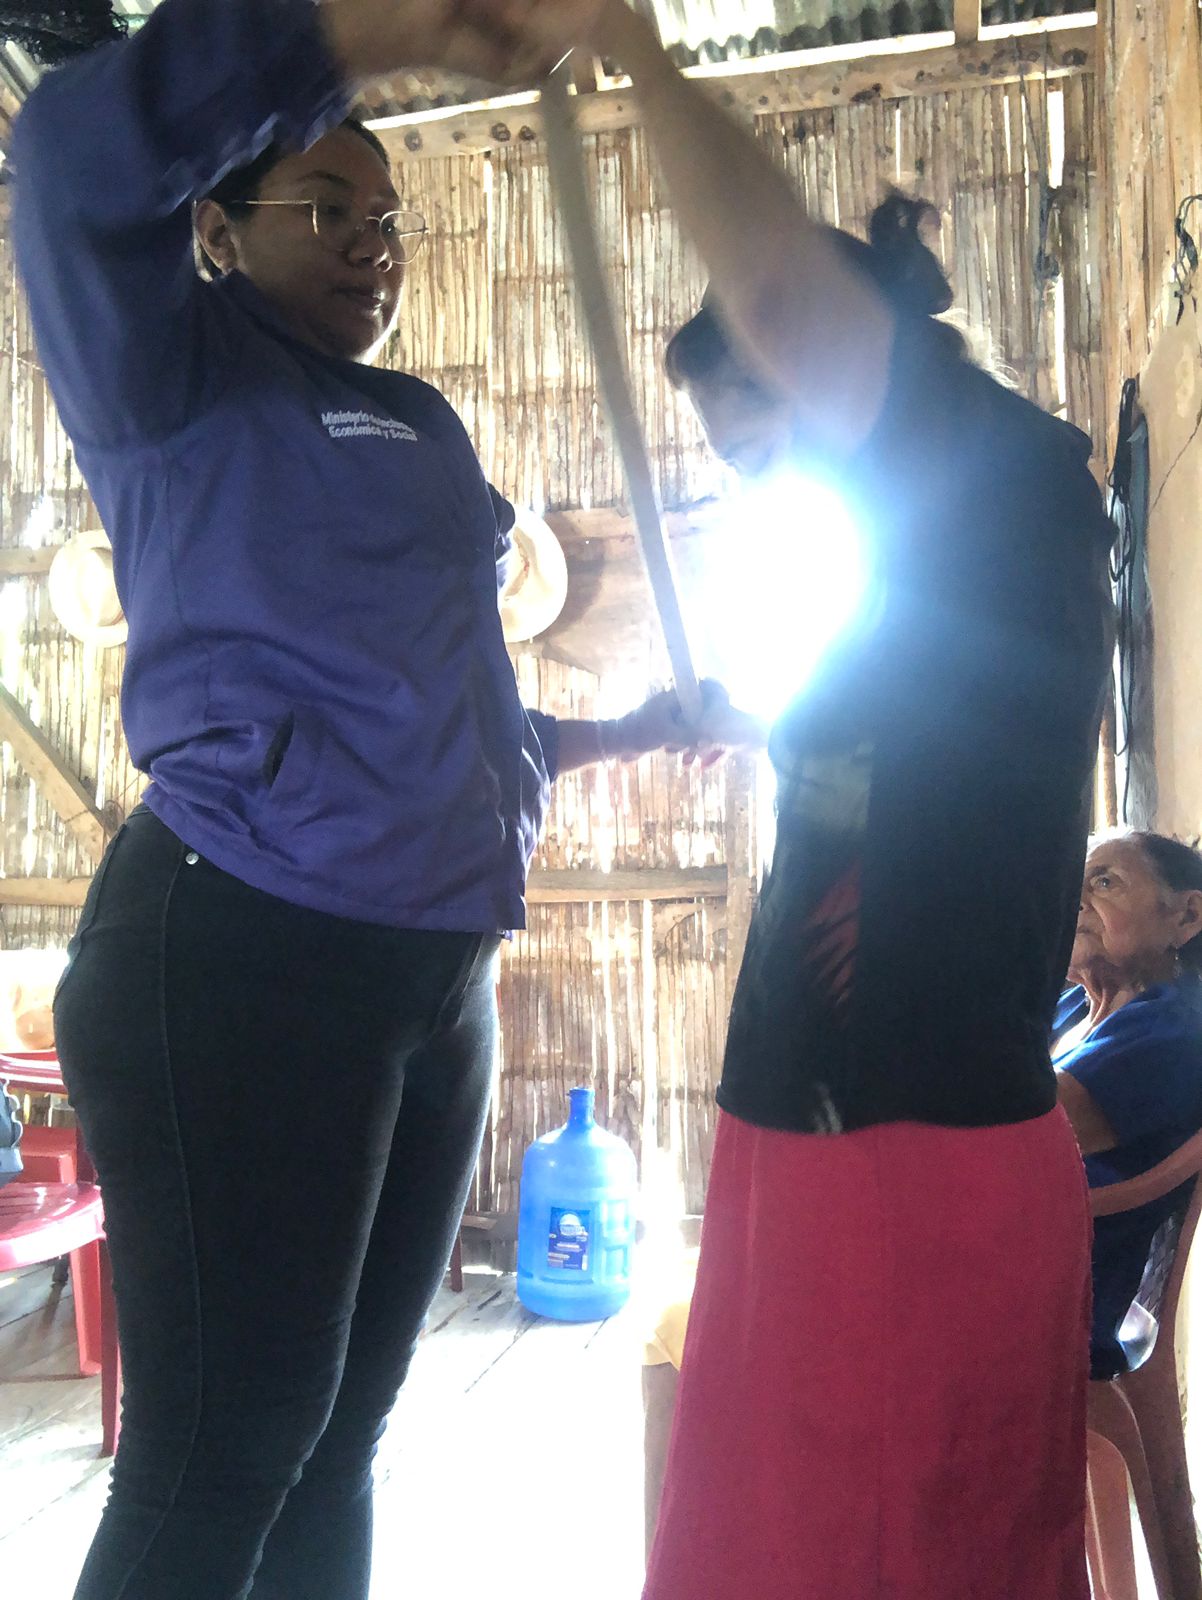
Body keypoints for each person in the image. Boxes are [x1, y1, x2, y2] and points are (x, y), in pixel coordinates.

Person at [7, 3, 753, 1596]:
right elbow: (66, 159)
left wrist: (637, 728)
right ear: (217, 229)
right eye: (327, 207)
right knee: (222, 1453)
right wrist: (377, 30)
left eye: (387, 216)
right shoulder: (172, 379)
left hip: (432, 976)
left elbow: (449, 734)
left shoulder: (418, 423)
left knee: (341, 1435)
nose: (371, 243)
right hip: (242, 950)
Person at [476, 2, 1115, 1595]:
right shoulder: (959, 516)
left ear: (824, 365)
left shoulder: (968, 464)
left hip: (898, 1137)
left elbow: (768, 286)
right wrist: (757, 721)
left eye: (755, 438)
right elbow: (931, 755)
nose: (754, 471)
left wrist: (625, 45)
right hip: (858, 1120)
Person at [1055, 830, 1202, 1378]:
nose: (1075, 901)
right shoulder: (1076, 1005)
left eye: (1104, 882)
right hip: (1007, 1246)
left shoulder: (1175, 1028)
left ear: (1186, 917)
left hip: (1056, 1286)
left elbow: (1017, 1127)